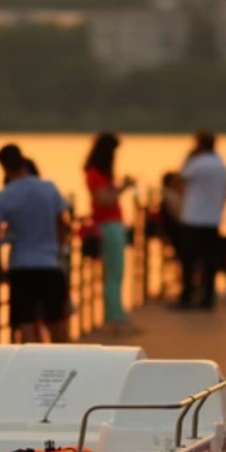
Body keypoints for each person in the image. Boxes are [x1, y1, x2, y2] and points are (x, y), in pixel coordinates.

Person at [0, 143, 71, 343]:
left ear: (3, 167)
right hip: (50, 264)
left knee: (25, 324)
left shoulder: (3, 196)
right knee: (56, 322)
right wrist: (61, 251)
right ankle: (62, 364)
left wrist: (0, 268)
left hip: (21, 266)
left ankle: (31, 369)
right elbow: (63, 223)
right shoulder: (49, 188)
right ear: (23, 160)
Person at [83, 132, 138, 336]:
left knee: (115, 274)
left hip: (110, 225)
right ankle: (116, 321)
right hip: (108, 226)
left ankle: (115, 318)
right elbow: (104, 200)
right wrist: (123, 187)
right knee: (114, 275)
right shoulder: (95, 174)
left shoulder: (98, 174)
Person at [176, 131, 226, 310]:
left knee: (188, 261)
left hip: (193, 218)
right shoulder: (221, 165)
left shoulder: (196, 164)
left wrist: (188, 157)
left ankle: (187, 296)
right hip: (212, 219)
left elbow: (179, 180)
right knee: (210, 260)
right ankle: (208, 297)